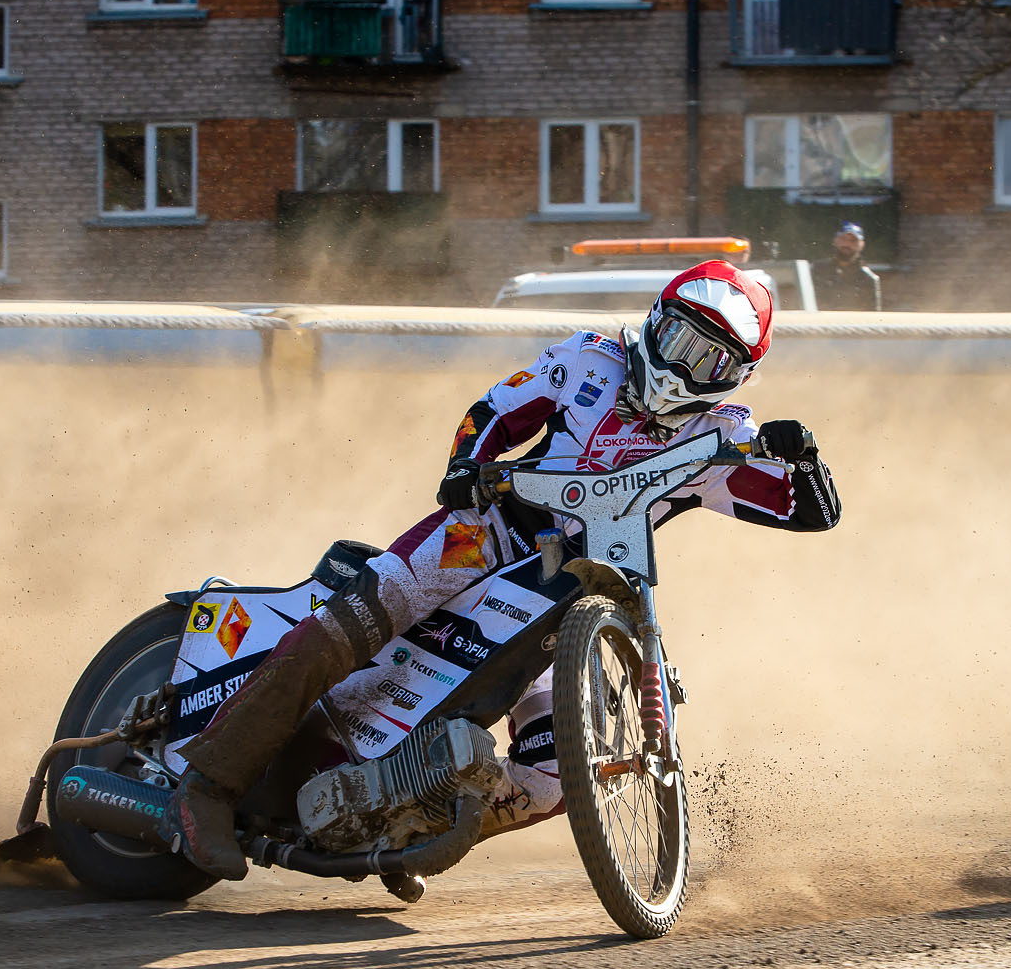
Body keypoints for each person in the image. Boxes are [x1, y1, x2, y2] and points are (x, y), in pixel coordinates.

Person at [165, 259, 844, 883]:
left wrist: (803, 458)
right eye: (676, 339)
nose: (681, 367)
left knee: (551, 777)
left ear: (736, 377)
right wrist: (466, 468)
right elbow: (492, 413)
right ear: (653, 322)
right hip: (485, 535)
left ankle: (407, 820)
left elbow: (810, 512)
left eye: (709, 360)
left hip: (571, 601)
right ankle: (206, 788)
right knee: (342, 631)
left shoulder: (722, 438)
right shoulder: (586, 362)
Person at [811, 220, 879, 311]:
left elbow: (873, 316)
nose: (847, 244)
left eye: (853, 241)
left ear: (861, 245)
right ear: (835, 241)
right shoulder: (817, 270)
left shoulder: (868, 278)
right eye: (843, 239)